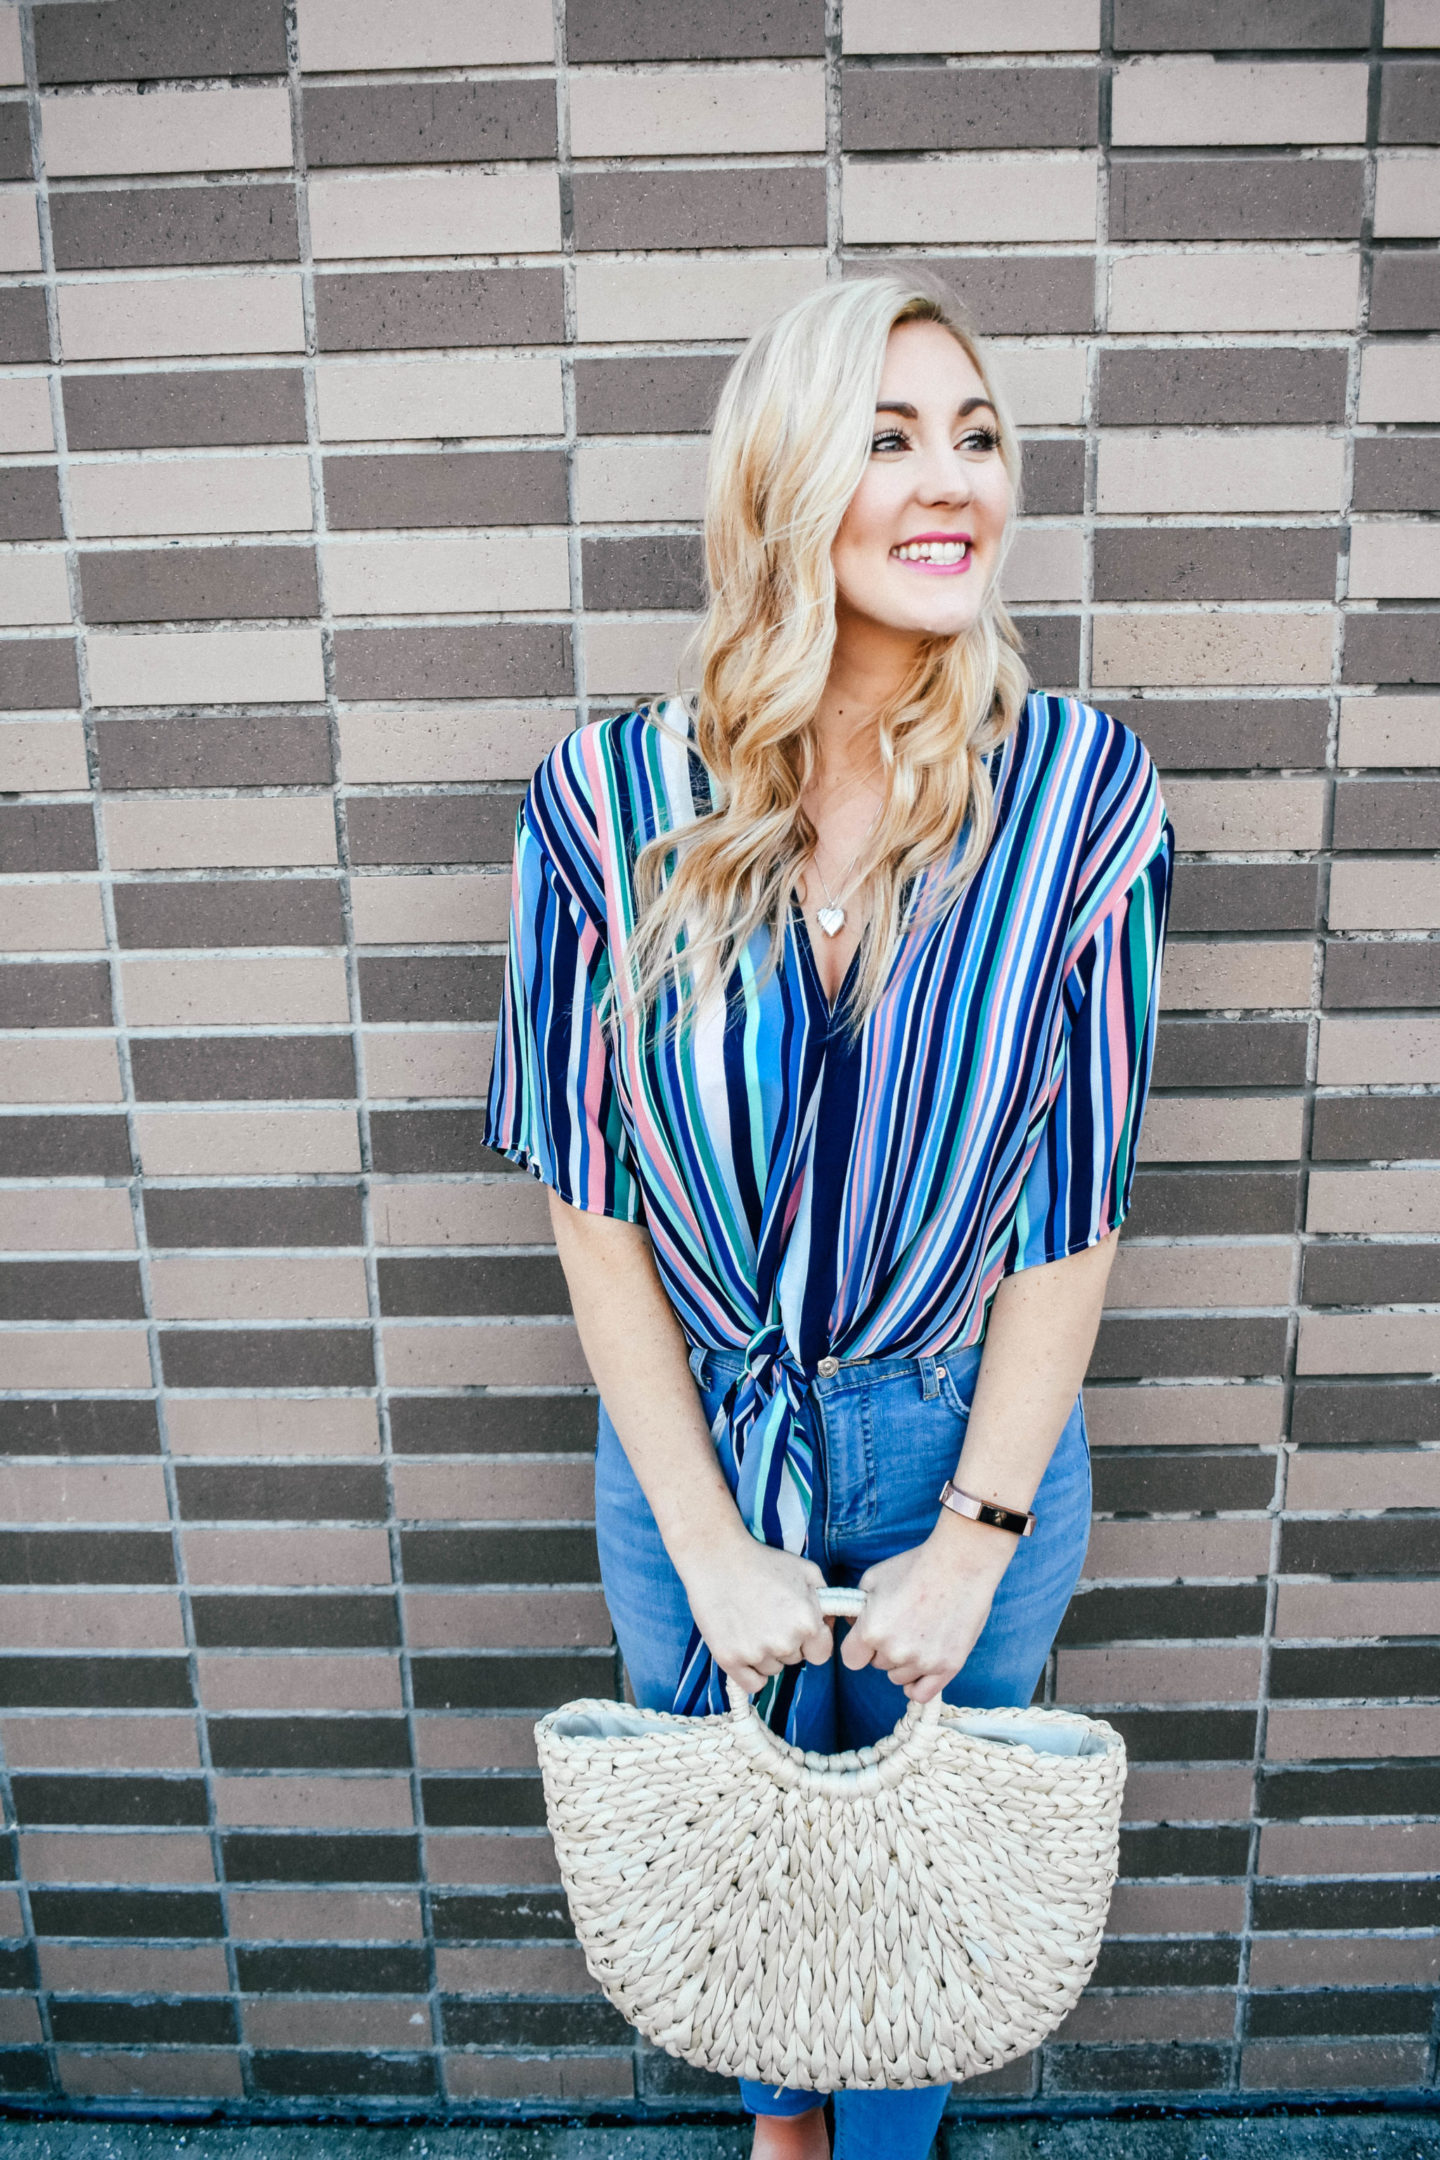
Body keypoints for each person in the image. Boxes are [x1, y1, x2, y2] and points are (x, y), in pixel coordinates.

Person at [486, 276, 1174, 2160]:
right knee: (751, 1893)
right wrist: (708, 1542)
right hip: (695, 1445)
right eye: (888, 438)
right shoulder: (609, 800)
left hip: (973, 1434)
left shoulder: (1078, 797)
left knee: (912, 1916)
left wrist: (977, 1535)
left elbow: (1073, 1201)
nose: (952, 481)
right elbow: (588, 1191)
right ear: (787, 482)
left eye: (975, 435)